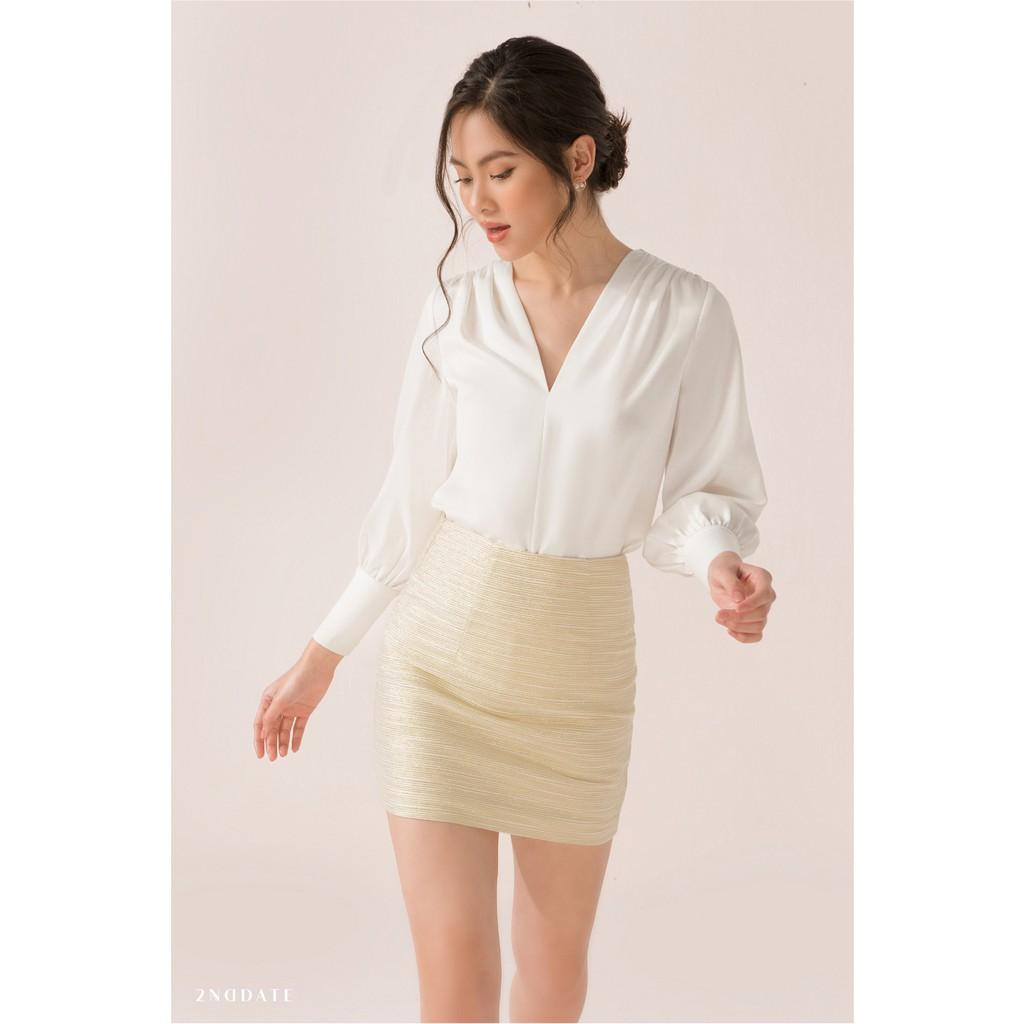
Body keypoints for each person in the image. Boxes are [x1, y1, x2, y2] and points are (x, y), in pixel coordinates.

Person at [253, 34, 776, 1024]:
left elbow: (704, 491)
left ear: (577, 158)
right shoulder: (456, 306)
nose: (477, 203)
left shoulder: (684, 312)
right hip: (439, 672)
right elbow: (409, 503)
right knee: (454, 984)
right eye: (462, 177)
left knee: (552, 978)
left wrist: (721, 562)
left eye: (500, 172)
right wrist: (320, 657)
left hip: (577, 681)